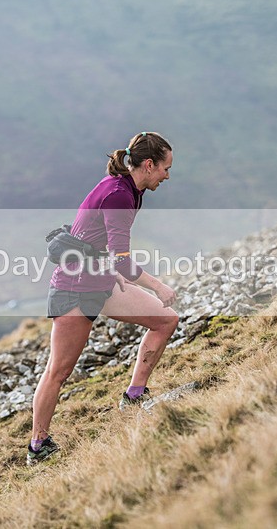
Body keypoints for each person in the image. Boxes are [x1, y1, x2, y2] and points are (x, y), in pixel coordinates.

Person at [27, 132, 180, 465]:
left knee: (165, 321)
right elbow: (122, 258)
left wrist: (114, 271)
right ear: (149, 165)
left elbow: (111, 253)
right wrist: (158, 286)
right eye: (166, 168)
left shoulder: (131, 189)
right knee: (59, 371)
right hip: (74, 289)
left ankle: (134, 395)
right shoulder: (118, 195)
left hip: (104, 282)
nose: (168, 175)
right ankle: (38, 446)